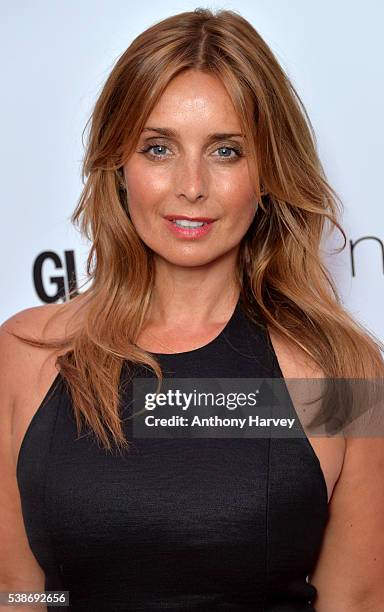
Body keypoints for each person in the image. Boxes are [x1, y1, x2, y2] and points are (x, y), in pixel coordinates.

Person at [1, 7, 383, 611]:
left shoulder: (338, 373)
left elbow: (356, 601)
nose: (192, 185)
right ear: (119, 165)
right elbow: (15, 596)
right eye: (158, 148)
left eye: (226, 151)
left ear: (268, 171)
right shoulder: (27, 355)